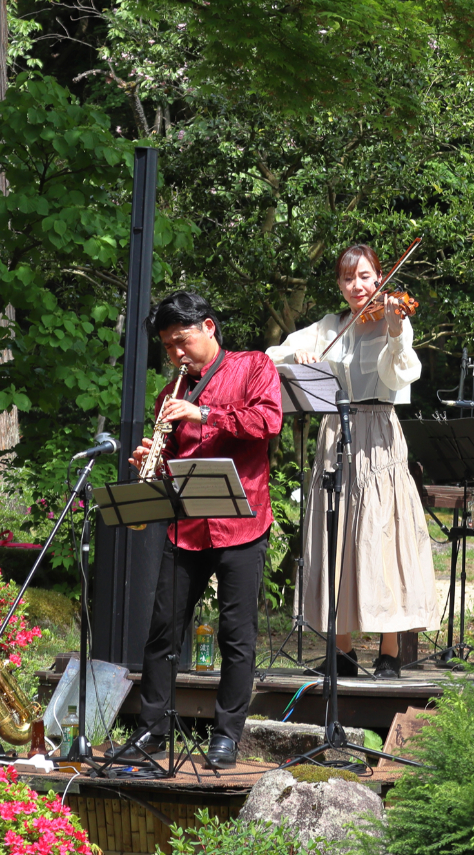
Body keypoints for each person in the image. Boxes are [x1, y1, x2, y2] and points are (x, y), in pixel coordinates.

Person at [124, 291, 283, 769]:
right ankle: (152, 727)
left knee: (237, 634)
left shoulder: (254, 366)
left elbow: (267, 421)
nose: (175, 354)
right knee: (162, 630)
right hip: (188, 524)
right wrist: (153, 460)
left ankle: (226, 736)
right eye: (168, 347)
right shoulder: (170, 394)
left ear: (208, 327)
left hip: (243, 520)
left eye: (182, 341)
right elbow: (176, 461)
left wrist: (206, 414)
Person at [266, 243, 439, 679]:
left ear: (379, 278)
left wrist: (396, 329)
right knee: (336, 533)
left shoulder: (393, 321)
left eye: (364, 276)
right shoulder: (330, 327)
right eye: (347, 278)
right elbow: (271, 355)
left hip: (378, 433)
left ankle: (389, 650)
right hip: (335, 432)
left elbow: (397, 372)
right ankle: (340, 650)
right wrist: (299, 355)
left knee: (383, 537)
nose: (356, 285)